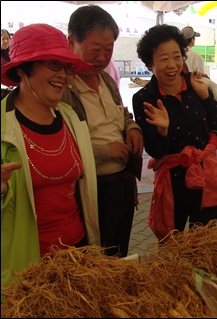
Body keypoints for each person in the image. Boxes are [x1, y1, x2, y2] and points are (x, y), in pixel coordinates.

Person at [1, 24, 100, 301]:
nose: (64, 76)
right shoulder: (1, 127)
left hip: (78, 252)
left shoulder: (71, 118)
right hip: (26, 265)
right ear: (22, 69)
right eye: (53, 63)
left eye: (67, 67)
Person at [60, 5, 144, 258]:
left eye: (108, 50)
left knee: (120, 250)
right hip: (91, 189)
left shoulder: (107, 80)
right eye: (95, 50)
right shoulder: (63, 88)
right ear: (71, 41)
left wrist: (133, 127)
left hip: (122, 183)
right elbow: (61, 142)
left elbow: (122, 114)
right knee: (96, 256)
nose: (102, 58)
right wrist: (104, 151)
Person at [132, 24, 217, 241]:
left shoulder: (196, 83)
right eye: (163, 58)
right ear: (150, 63)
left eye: (177, 57)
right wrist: (163, 129)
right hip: (172, 183)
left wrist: (205, 96)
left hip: (206, 175)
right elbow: (155, 150)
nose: (172, 65)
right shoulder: (143, 99)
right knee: (171, 244)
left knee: (203, 244)